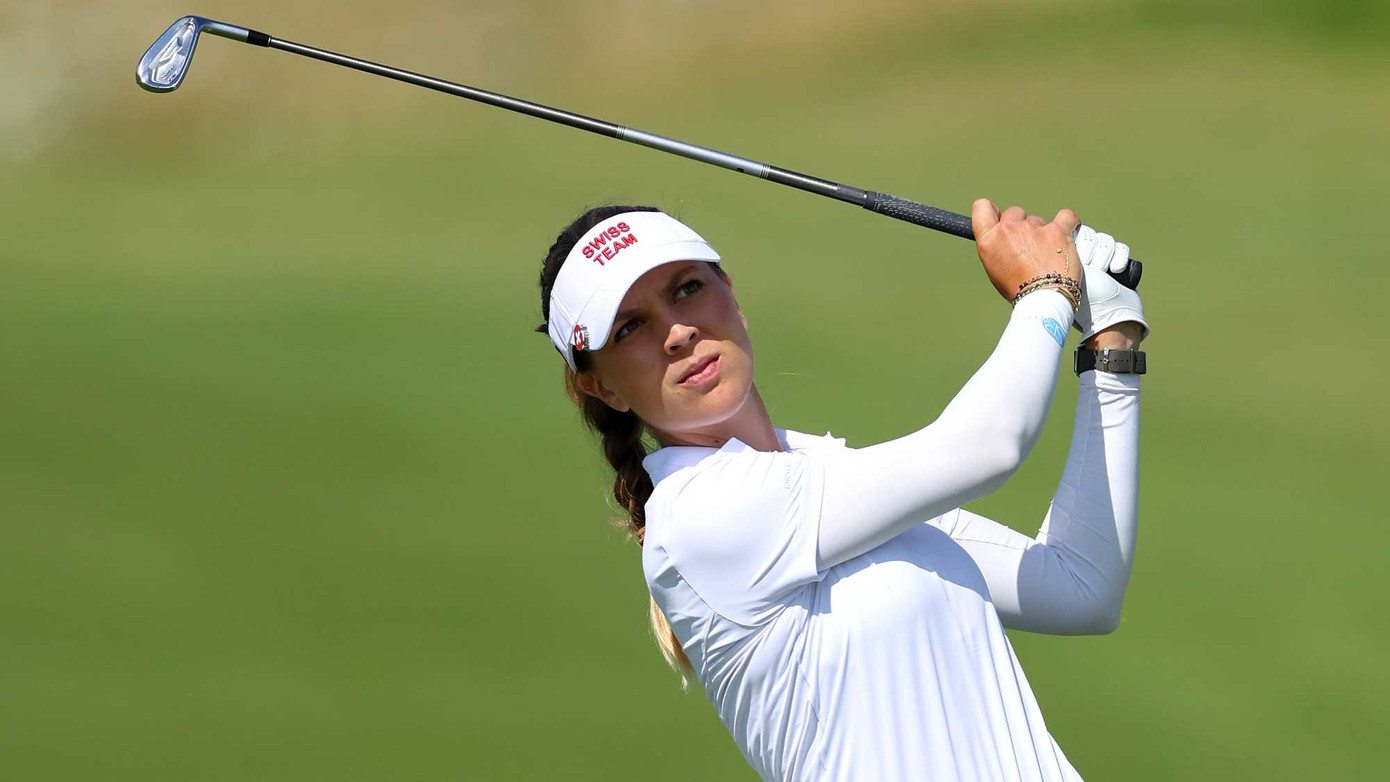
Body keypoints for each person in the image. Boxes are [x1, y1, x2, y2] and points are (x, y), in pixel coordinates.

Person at [535, 200, 1147, 781]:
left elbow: (1079, 588)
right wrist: (1047, 290)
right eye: (630, 327)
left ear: (732, 295)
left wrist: (1111, 343)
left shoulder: (825, 473)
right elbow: (988, 445)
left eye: (687, 288)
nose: (677, 333)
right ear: (602, 388)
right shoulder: (697, 513)